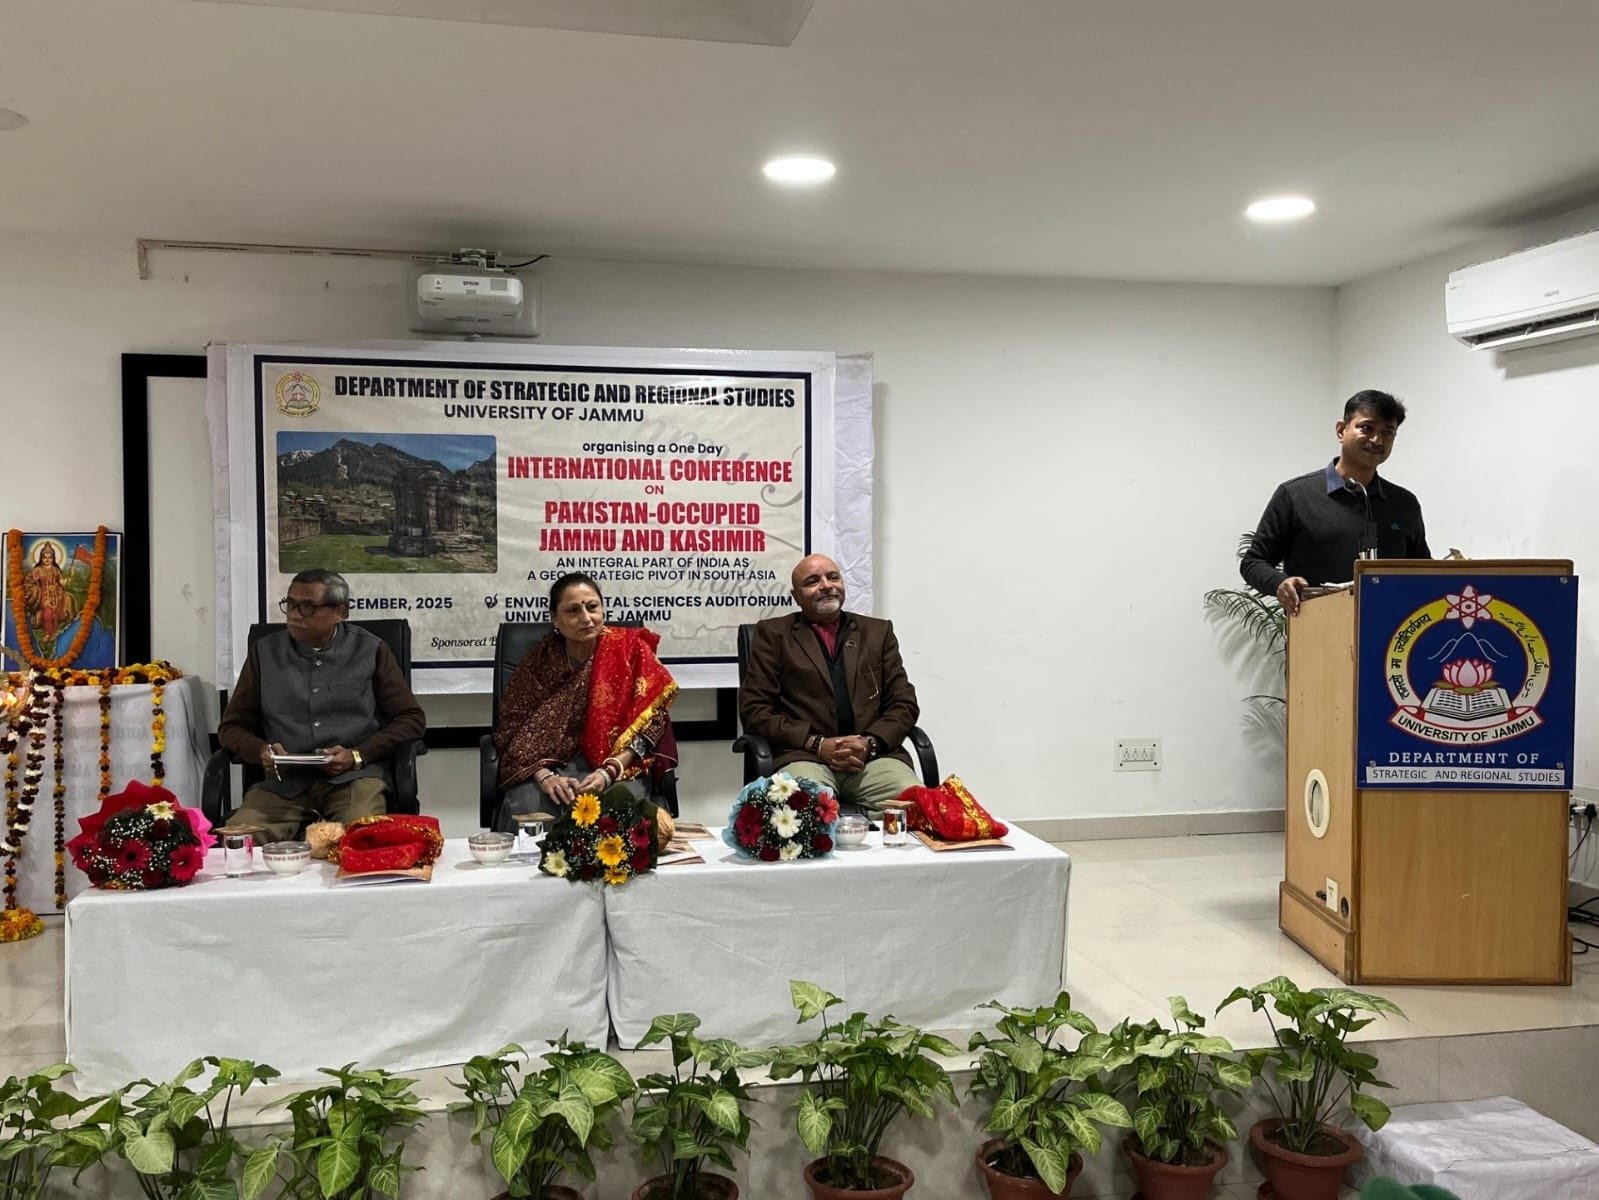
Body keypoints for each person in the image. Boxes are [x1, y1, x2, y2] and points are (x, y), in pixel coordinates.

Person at [218, 569, 426, 843]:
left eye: (307, 607)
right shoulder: (264, 652)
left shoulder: (371, 649)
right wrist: (261, 751)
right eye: (290, 604)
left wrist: (357, 755)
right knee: (236, 842)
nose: (294, 615)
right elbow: (231, 728)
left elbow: (411, 719)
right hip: (284, 784)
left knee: (360, 839)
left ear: (340, 612)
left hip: (353, 779)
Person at [739, 553, 922, 815]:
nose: (826, 585)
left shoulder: (877, 632)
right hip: (805, 758)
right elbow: (755, 711)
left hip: (872, 759)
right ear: (796, 596)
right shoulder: (774, 634)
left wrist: (869, 743)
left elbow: (904, 703)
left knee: (918, 809)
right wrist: (816, 744)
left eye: (833, 577)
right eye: (812, 581)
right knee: (802, 814)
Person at [493, 572, 678, 829]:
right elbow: (511, 730)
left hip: (617, 765)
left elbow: (652, 723)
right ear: (555, 618)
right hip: (547, 766)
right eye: (573, 611)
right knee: (526, 805)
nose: (586, 618)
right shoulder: (537, 664)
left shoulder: (630, 651)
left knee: (619, 806)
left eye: (592, 607)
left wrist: (609, 771)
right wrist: (545, 777)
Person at [1241, 389, 1431, 616]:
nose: (1377, 440)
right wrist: (1280, 583)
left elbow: (1424, 571)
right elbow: (1253, 561)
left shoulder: (1405, 503)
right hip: (1316, 626)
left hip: (1392, 630)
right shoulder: (1296, 495)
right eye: (1367, 428)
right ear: (1341, 430)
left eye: (1387, 433)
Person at [23, 543, 77, 646]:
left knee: (58, 610)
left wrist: (71, 575)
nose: (47, 559)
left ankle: (55, 632)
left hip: (57, 592)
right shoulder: (38, 570)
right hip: (43, 593)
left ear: (53, 559)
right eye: (45, 557)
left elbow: (62, 582)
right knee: (47, 612)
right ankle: (48, 633)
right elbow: (30, 581)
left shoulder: (56, 570)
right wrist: (33, 583)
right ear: (41, 558)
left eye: (50, 557)